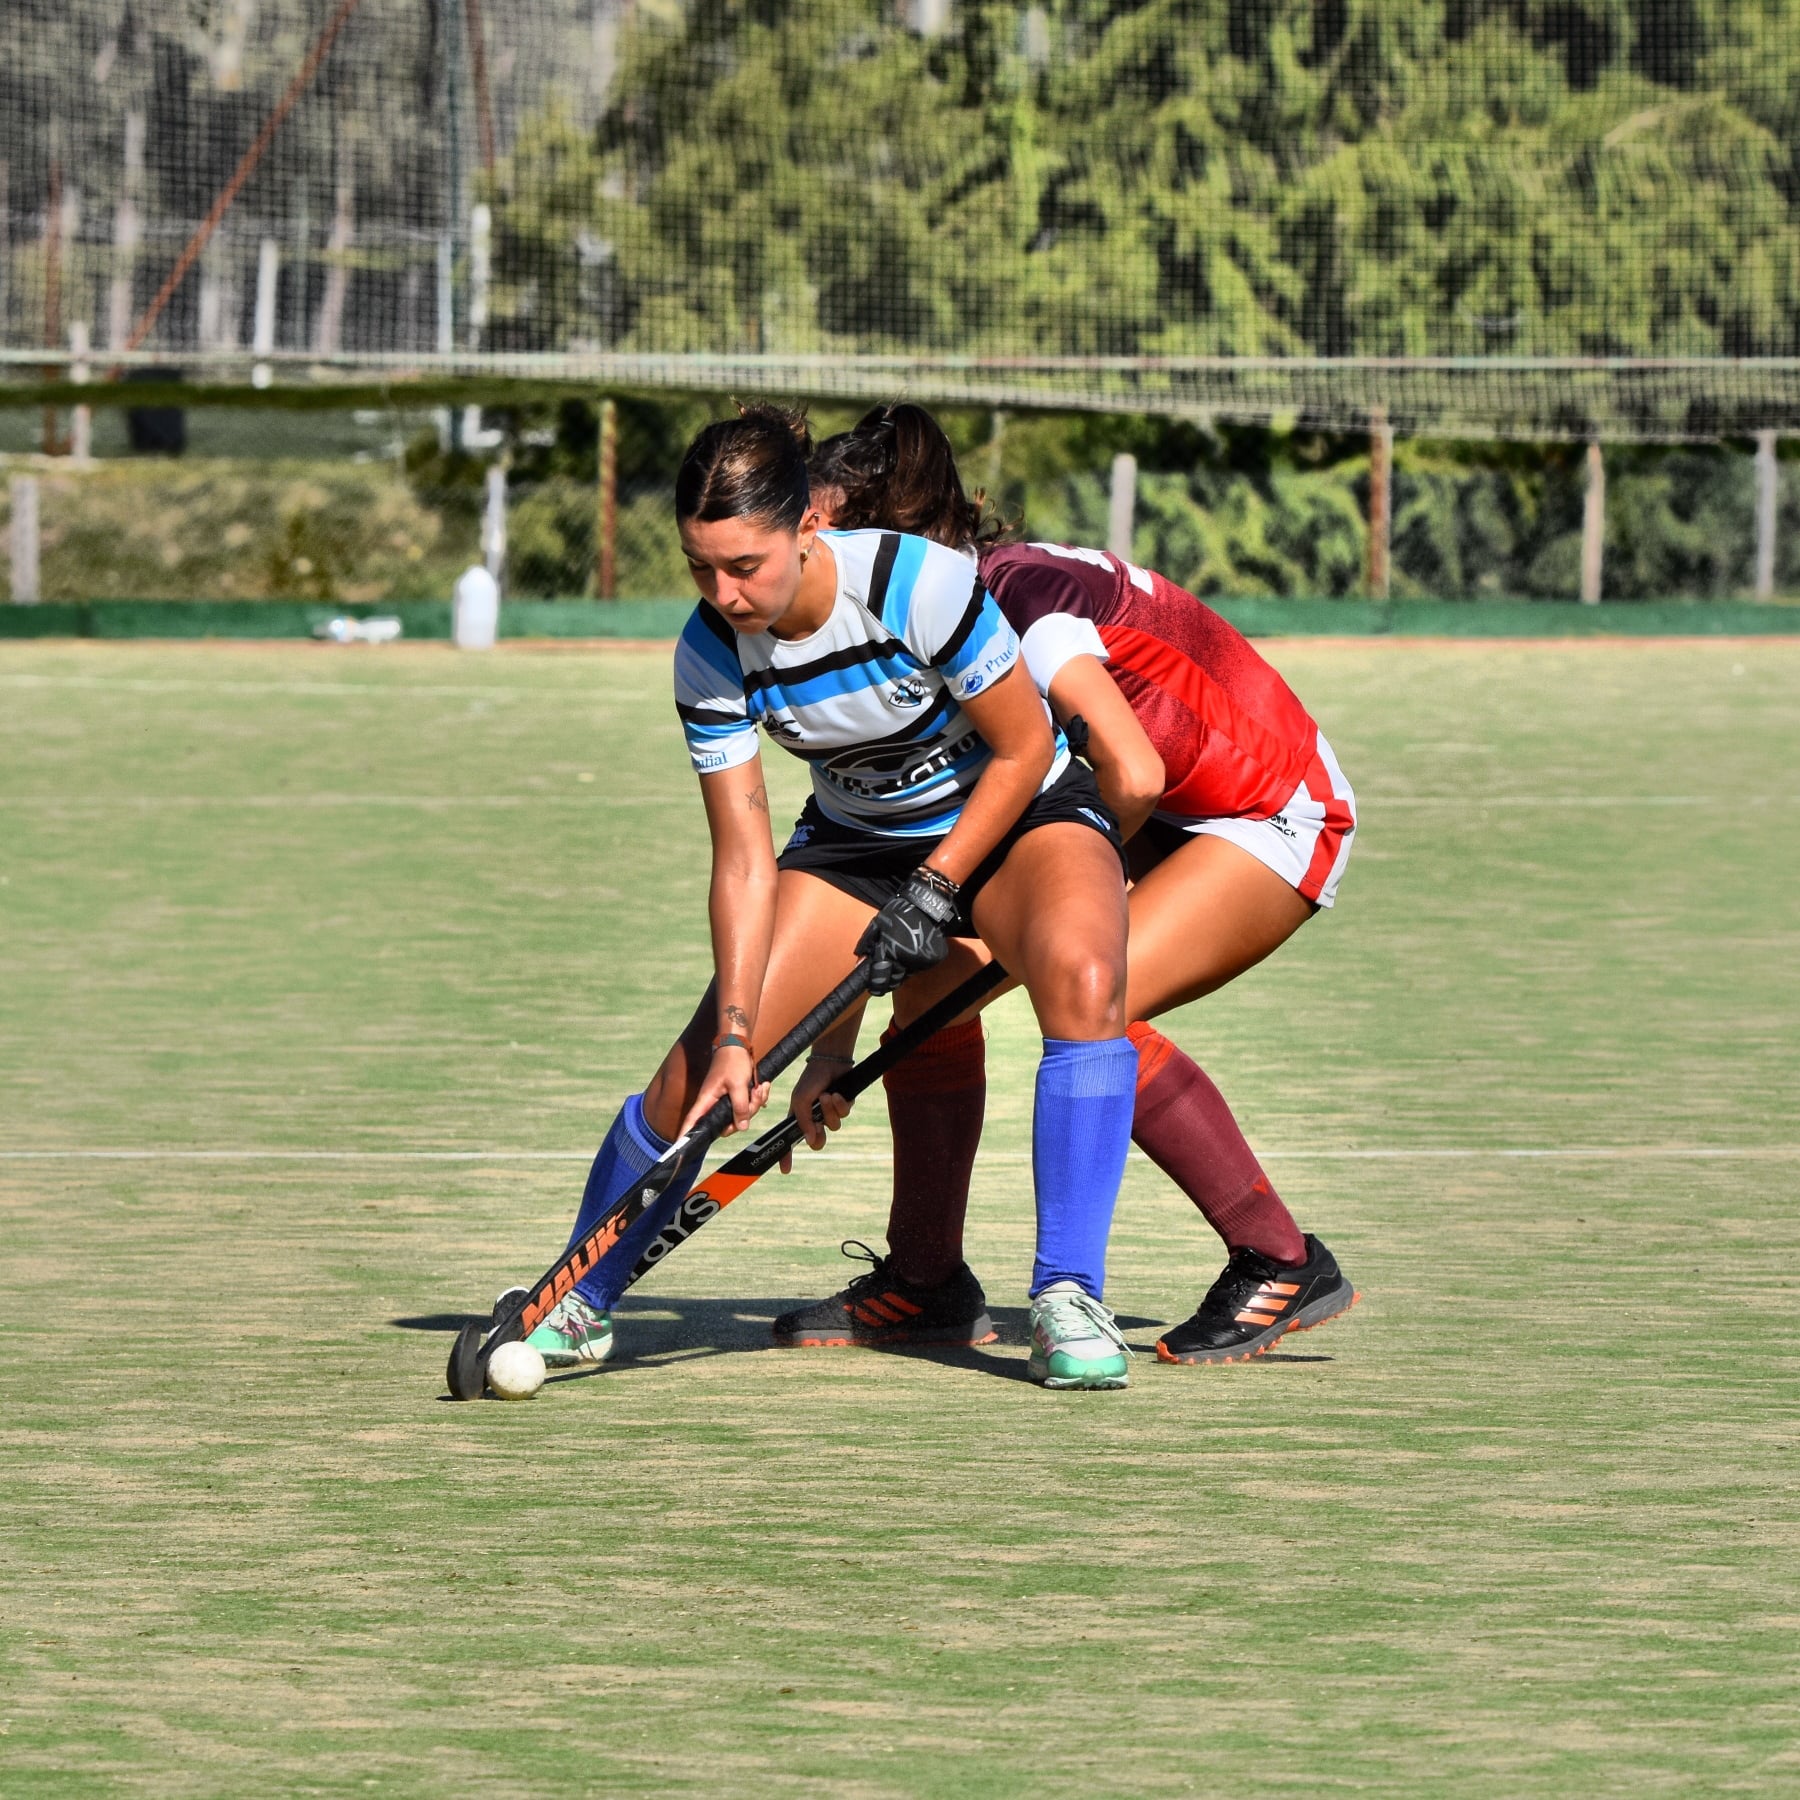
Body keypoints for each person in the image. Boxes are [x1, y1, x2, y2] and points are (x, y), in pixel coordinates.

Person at [525, 404, 1142, 1390]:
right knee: (691, 1078)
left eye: (744, 567)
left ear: (808, 528)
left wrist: (939, 886)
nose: (722, 593)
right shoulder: (710, 657)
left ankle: (1069, 1292)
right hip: (856, 848)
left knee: (1085, 974)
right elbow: (741, 859)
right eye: (698, 567)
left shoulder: (915, 583)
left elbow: (1026, 748)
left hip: (1016, 813)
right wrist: (737, 1035)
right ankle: (577, 1295)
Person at [776, 402, 1359, 1366]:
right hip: (1161, 806)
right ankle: (927, 1279)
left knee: (1092, 999)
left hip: (1266, 811)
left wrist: (1040, 934)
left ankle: (1279, 1258)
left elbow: (1132, 774)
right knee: (930, 988)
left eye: (831, 543)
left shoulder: (1020, 607)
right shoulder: (934, 621)